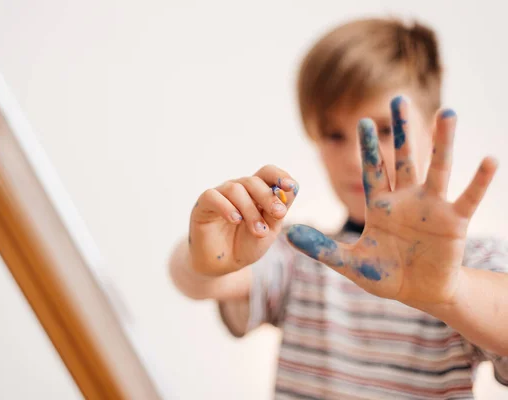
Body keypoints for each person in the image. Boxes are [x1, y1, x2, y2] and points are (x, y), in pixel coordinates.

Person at [169, 17, 508, 399]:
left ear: (431, 129)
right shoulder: (302, 254)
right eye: (334, 135)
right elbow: (195, 280)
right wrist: (209, 258)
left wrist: (451, 290)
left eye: (382, 129)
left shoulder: (469, 264)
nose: (353, 157)